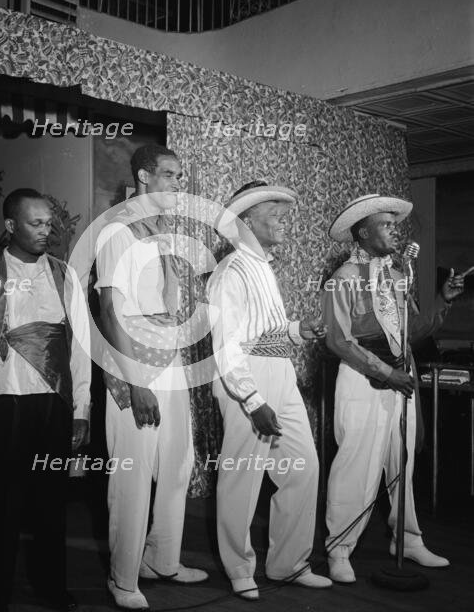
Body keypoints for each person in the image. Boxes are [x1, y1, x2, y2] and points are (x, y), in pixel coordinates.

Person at [0, 188, 91, 612]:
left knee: (51, 505)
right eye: (36, 223)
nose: (46, 231)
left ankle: (51, 586)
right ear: (10, 225)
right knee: (1, 509)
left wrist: (82, 409)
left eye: (49, 223)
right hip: (6, 407)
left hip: (53, 406)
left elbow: (81, 348)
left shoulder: (63, 275)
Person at [323, 193, 464, 583]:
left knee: (403, 461)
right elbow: (338, 340)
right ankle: (340, 547)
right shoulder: (343, 280)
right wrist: (385, 372)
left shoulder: (399, 278)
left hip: (400, 382)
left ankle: (408, 538)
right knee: (358, 464)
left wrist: (441, 301)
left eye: (395, 225)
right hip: (363, 380)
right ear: (364, 230)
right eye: (386, 225)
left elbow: (412, 332)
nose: (394, 232)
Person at [207, 180, 332, 601]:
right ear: (246, 220)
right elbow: (227, 346)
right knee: (242, 478)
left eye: (283, 212)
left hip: (279, 374)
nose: (284, 219)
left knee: (302, 467)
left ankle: (289, 564)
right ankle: (239, 568)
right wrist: (252, 400)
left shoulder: (263, 266)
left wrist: (297, 332)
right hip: (246, 382)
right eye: (274, 212)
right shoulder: (231, 271)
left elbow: (261, 335)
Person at [95, 145, 208, 610]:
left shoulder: (161, 231)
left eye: (179, 176)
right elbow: (108, 311)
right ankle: (123, 579)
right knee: (133, 472)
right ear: (143, 176)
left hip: (168, 353)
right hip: (134, 360)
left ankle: (162, 558)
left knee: (179, 460)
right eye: (168, 175)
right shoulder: (117, 231)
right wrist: (136, 382)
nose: (176, 185)